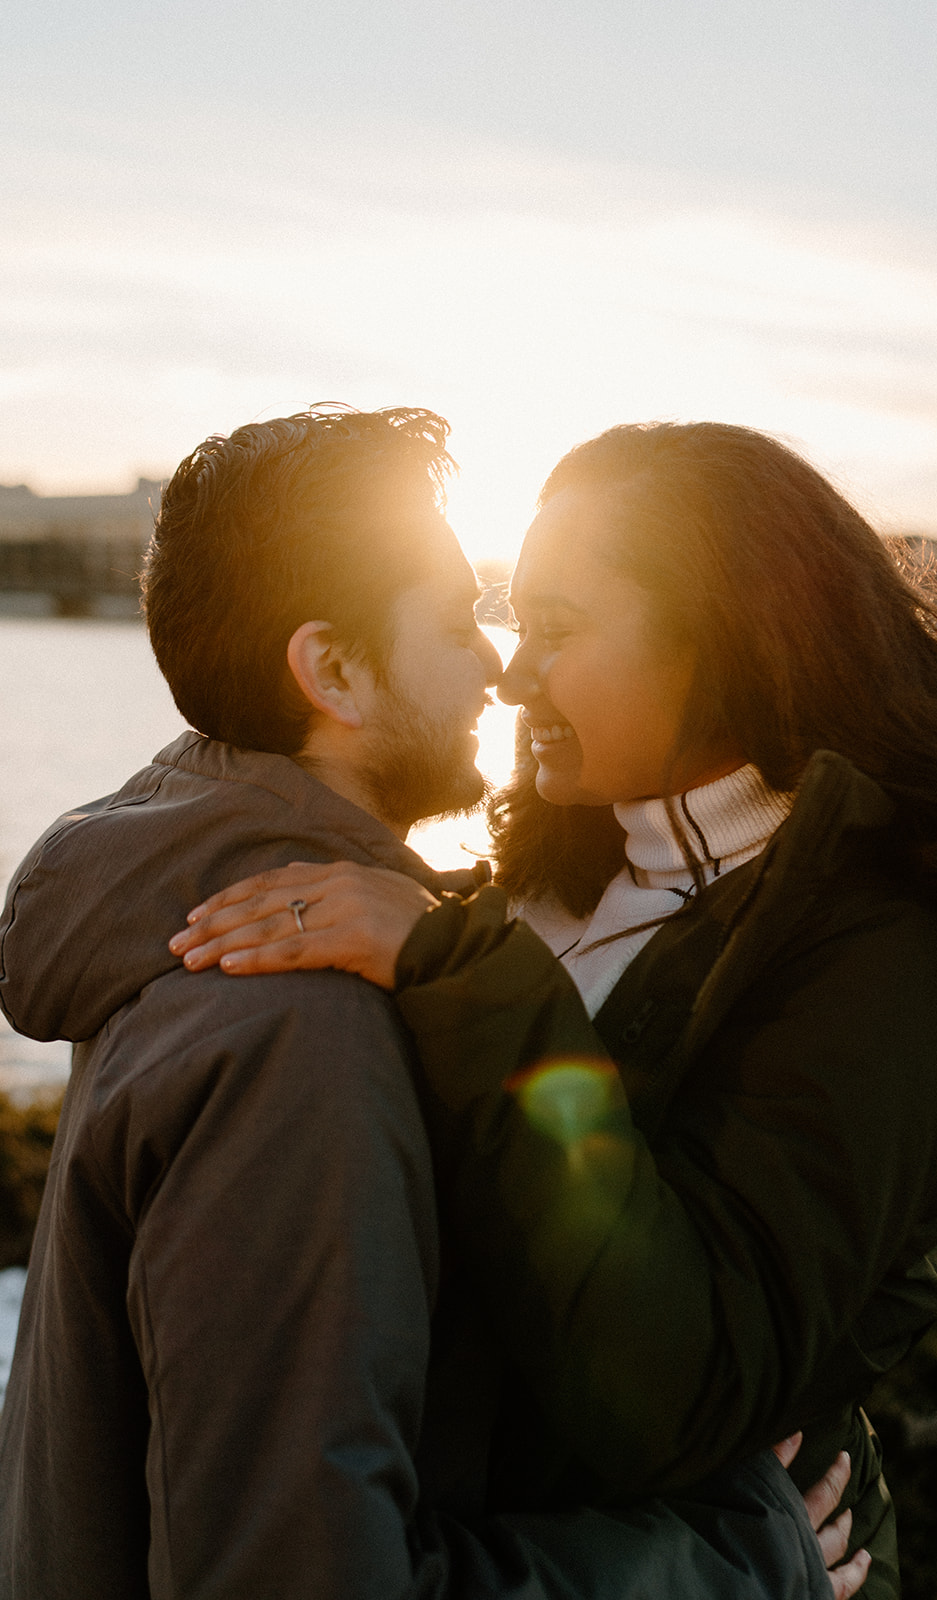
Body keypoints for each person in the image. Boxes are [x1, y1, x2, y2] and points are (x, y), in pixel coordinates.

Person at [174, 421, 937, 1600]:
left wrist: (464, 974)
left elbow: (675, 1386)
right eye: (507, 619)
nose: (509, 669)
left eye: (557, 627)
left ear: (725, 640)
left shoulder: (885, 957)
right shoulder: (538, 880)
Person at [0, 408, 862, 1600]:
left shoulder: (197, 912)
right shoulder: (296, 1031)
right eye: (460, 621)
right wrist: (732, 1564)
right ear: (333, 670)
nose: (499, 670)